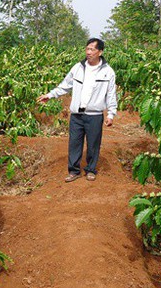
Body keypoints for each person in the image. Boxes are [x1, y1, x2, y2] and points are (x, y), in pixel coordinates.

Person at [37, 38, 117, 182]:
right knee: (74, 143)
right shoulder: (78, 68)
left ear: (100, 52)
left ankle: (91, 170)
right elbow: (65, 85)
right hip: (77, 115)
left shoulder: (108, 72)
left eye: (92, 49)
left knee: (93, 144)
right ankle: (74, 171)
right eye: (87, 49)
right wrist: (50, 95)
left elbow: (111, 94)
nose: (88, 52)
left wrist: (110, 114)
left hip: (94, 115)